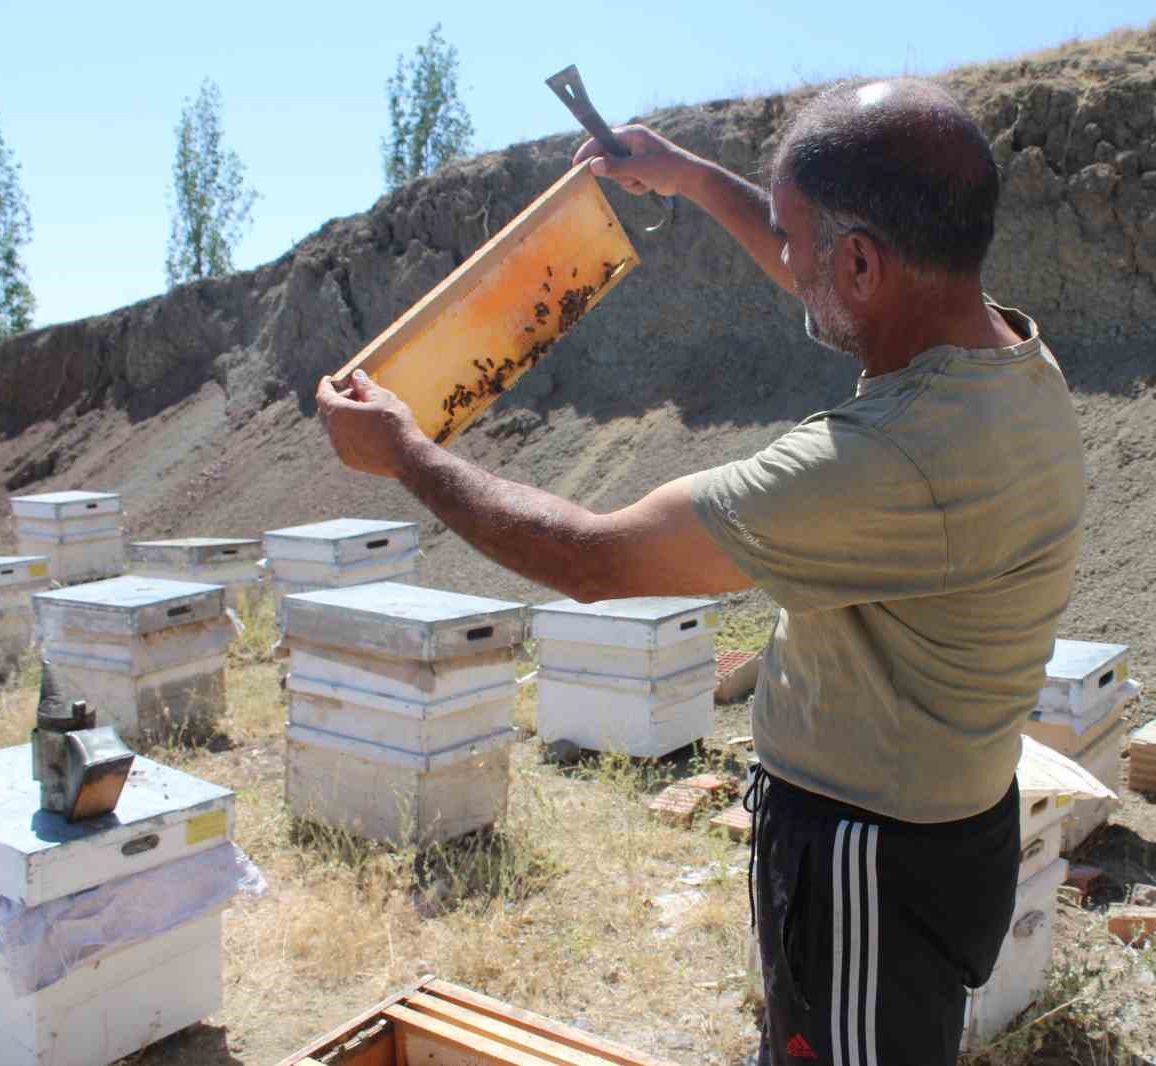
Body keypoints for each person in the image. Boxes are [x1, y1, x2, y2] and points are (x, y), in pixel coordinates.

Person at [317, 77, 1085, 1066]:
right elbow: (835, 279)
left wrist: (406, 453)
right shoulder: (1010, 361)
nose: (784, 255)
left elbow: (592, 557)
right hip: (940, 831)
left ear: (857, 262)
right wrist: (686, 177)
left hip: (866, 863)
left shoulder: (891, 461)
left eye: (798, 240)